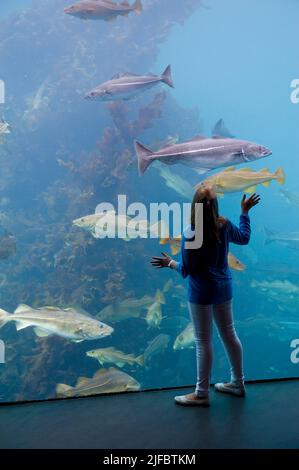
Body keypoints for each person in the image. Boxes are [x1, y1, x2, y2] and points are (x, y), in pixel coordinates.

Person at [151, 186, 260, 406]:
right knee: (230, 335)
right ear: (215, 206)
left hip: (201, 292)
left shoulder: (191, 233)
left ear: (195, 207)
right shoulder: (224, 224)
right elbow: (245, 238)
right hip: (223, 289)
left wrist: (169, 263)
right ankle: (238, 383)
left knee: (203, 341)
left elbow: (186, 270)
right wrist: (245, 212)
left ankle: (201, 394)